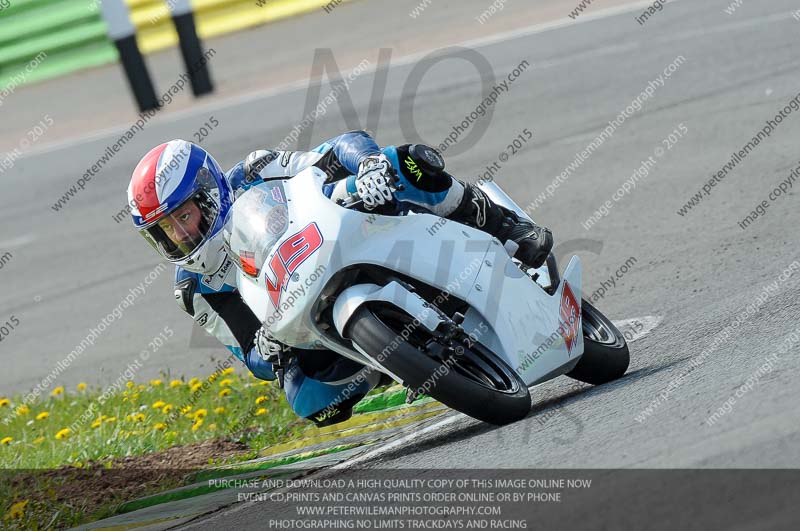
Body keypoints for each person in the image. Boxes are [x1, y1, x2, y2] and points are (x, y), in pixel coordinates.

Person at [127, 131, 552, 426]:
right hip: (303, 315)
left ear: (208, 192)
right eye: (165, 230)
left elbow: (334, 151)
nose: (180, 235)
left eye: (183, 216)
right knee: (310, 402)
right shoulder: (193, 287)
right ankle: (388, 357)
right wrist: (266, 347)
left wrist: (367, 167)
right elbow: (249, 355)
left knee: (405, 163)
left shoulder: (254, 171)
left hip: (345, 230)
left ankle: (502, 223)